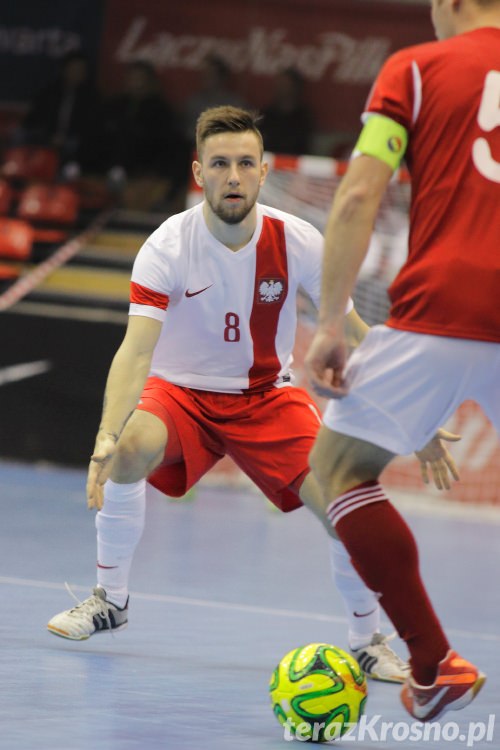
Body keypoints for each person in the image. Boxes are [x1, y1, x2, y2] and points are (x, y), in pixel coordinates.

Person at [47, 106, 457, 685]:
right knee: (129, 448)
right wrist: (105, 437)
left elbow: (354, 332)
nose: (233, 176)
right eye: (220, 164)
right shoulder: (167, 246)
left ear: (265, 172)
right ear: (198, 173)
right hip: (181, 394)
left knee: (343, 505)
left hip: (268, 397)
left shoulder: (298, 241)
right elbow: (136, 352)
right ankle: (110, 600)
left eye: (245, 163)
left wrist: (415, 415)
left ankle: (366, 642)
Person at [304, 0, 499, 723]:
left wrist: (330, 322)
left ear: (448, 3)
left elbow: (358, 194)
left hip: (441, 309)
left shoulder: (414, 68)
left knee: (336, 471)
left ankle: (431, 659)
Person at [260, 67, 314, 156]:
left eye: (286, 85)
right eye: (279, 84)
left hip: (292, 165)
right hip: (267, 163)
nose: (281, 88)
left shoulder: (303, 116)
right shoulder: (266, 113)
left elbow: (302, 147)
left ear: (296, 87)